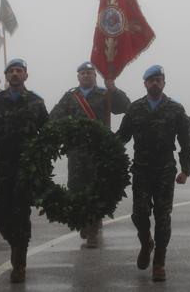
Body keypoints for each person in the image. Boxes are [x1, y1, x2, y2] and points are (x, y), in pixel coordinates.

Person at [116, 65, 190, 282]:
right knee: (139, 214)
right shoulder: (135, 108)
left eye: (158, 79)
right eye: (151, 80)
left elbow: (186, 142)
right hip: (141, 169)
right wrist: (105, 148)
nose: (155, 83)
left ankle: (159, 261)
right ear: (145, 84)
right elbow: (122, 137)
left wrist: (185, 170)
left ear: (164, 82)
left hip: (165, 171)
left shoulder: (176, 109)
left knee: (162, 217)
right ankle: (146, 243)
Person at [0, 58, 48, 283]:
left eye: (19, 71)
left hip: (26, 169)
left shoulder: (36, 102)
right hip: (2, 168)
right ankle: (16, 244)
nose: (15, 74)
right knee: (0, 214)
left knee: (21, 215)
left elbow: (48, 133)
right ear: (6, 77)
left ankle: (20, 262)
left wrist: (44, 162)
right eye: (11, 71)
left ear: (26, 75)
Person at [49, 61, 131, 248]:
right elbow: (54, 117)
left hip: (98, 150)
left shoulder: (105, 95)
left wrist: (114, 90)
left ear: (95, 76)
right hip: (76, 151)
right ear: (78, 77)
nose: (86, 76)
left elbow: (125, 106)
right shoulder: (70, 97)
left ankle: (93, 228)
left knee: (96, 188)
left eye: (89, 73)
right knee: (76, 187)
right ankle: (83, 221)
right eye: (83, 73)